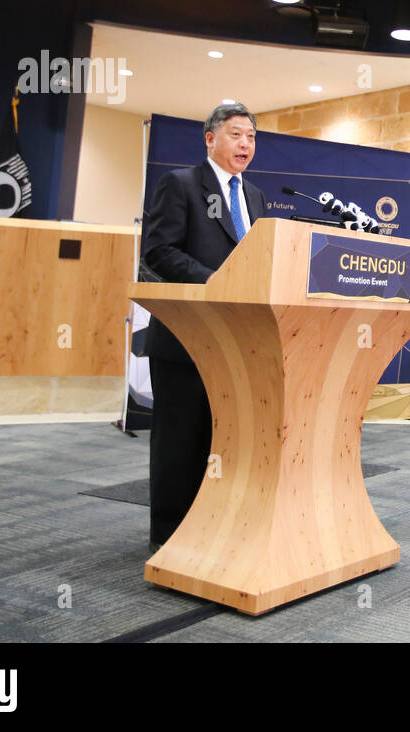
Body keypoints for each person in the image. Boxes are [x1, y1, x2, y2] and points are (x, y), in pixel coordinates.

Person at [142, 103, 266, 548]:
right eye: (236, 135)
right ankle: (170, 538)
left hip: (235, 338)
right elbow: (157, 250)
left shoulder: (254, 196)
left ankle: (211, 526)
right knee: (180, 439)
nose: (245, 144)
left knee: (222, 437)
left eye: (251, 137)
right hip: (186, 335)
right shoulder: (179, 185)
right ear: (210, 139)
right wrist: (210, 279)